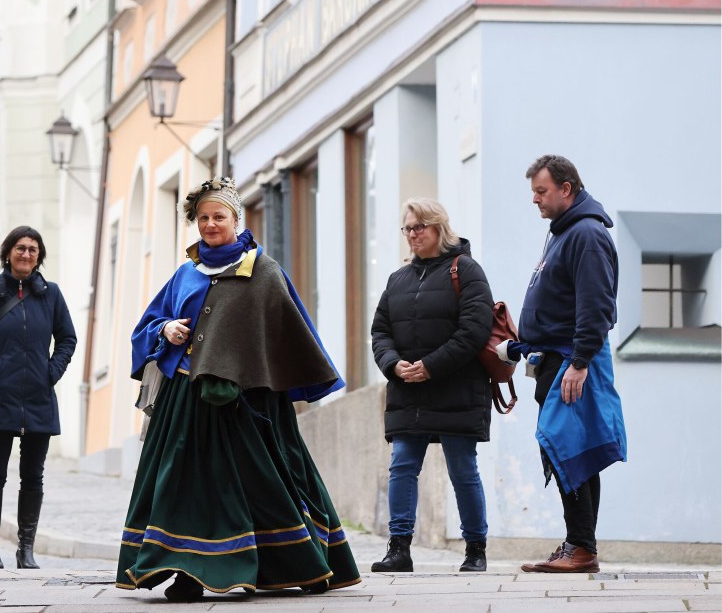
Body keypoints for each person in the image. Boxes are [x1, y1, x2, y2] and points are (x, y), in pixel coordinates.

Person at [116, 178, 359, 601]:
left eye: (219, 217)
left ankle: (292, 562)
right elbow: (149, 325)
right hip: (186, 402)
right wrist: (166, 329)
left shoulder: (263, 271)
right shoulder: (185, 274)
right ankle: (187, 571)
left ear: (236, 219)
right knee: (182, 486)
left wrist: (258, 374)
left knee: (261, 486)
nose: (211, 224)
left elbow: (285, 332)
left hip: (247, 405)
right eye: (204, 218)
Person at [369, 198, 494, 573]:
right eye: (407, 228)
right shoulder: (398, 278)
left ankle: (475, 550)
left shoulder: (467, 270)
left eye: (418, 227)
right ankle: (399, 549)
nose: (411, 234)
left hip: (457, 387)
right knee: (402, 465)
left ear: (439, 227)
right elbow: (380, 332)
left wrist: (431, 367)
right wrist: (394, 365)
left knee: (462, 468)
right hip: (408, 388)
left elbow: (474, 330)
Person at [514, 155, 624, 574]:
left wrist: (578, 362)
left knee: (570, 448)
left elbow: (596, 306)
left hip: (572, 363)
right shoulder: (562, 233)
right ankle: (579, 544)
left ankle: (580, 548)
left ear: (567, 188)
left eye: (541, 192)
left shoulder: (587, 234)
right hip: (555, 359)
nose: (536, 201)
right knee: (566, 448)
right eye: (533, 193)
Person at [0, 226, 77, 570]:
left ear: (39, 255)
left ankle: (26, 549)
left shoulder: (51, 294)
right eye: (20, 248)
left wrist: (51, 372)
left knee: (34, 475)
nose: (26, 254)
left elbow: (67, 338)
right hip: (0, 396)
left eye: (32, 249)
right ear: (8, 253)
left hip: (39, 397)